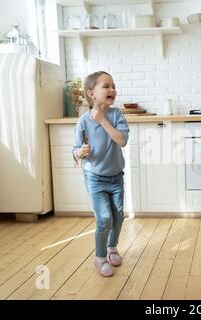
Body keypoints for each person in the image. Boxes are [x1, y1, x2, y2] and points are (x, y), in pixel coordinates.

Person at [72, 71, 129, 277]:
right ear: (91, 94)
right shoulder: (83, 122)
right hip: (94, 178)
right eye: (106, 86)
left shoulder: (116, 115)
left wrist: (103, 120)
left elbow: (122, 140)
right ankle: (100, 257)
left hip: (116, 177)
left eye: (113, 85)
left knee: (118, 216)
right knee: (104, 219)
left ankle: (112, 247)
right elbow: (75, 150)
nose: (112, 89)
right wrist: (80, 152)